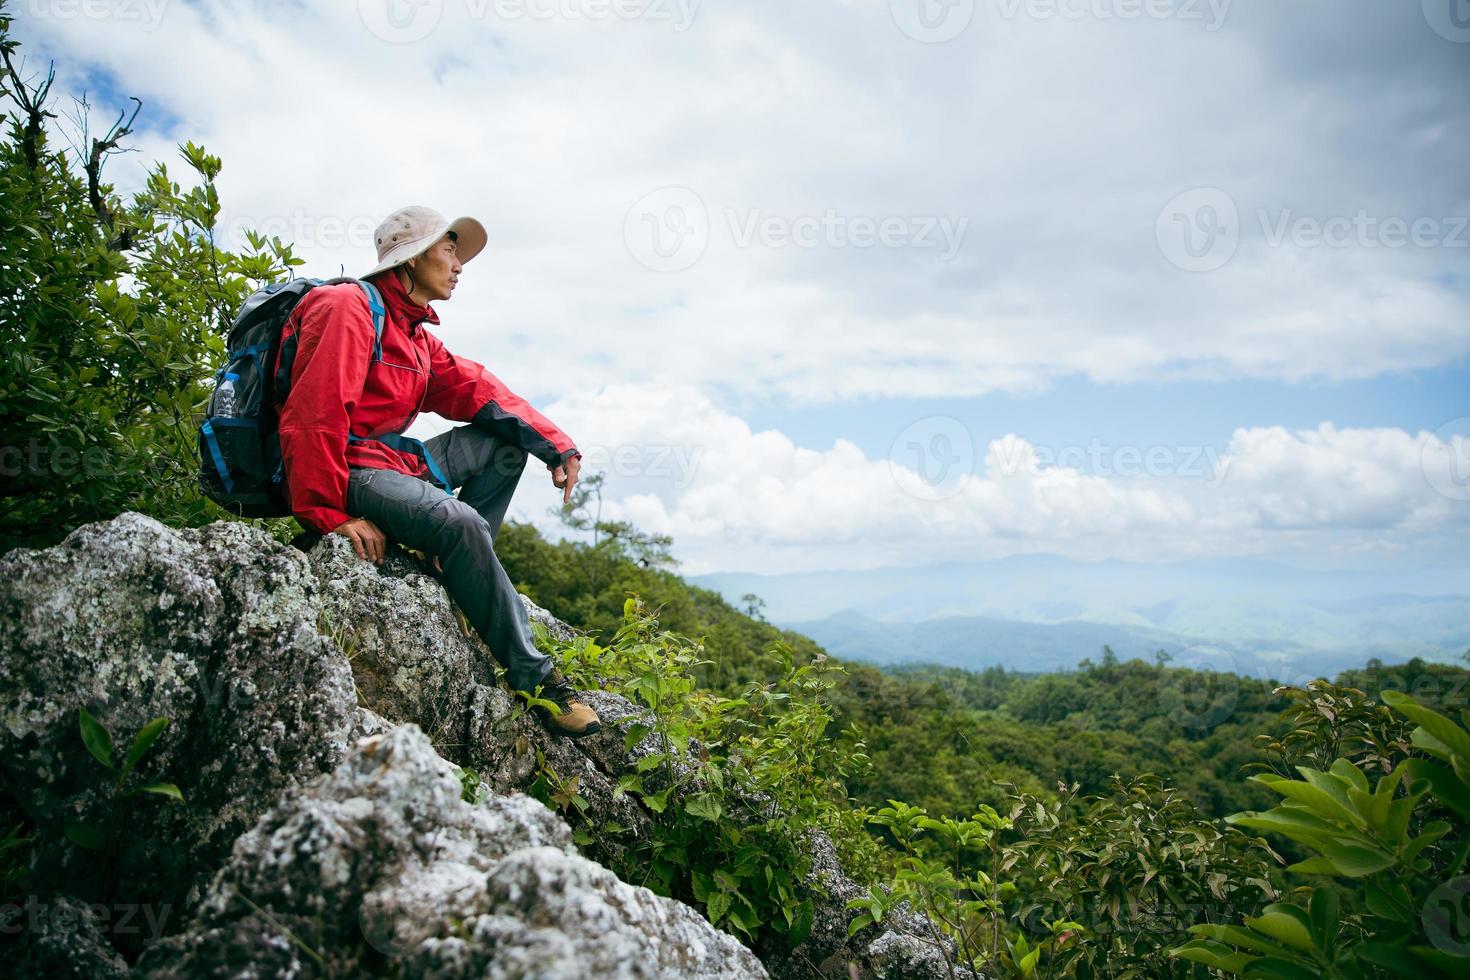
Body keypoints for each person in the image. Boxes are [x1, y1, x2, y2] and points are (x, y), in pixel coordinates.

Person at [275, 204, 601, 737]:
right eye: (449, 250)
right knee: (462, 523)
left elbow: (479, 390)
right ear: (411, 256)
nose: (459, 264)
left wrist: (558, 448)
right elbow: (312, 415)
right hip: (349, 470)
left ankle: (455, 566)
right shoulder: (346, 308)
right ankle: (537, 682)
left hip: (392, 462)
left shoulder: (415, 337)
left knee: (503, 449)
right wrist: (327, 514)